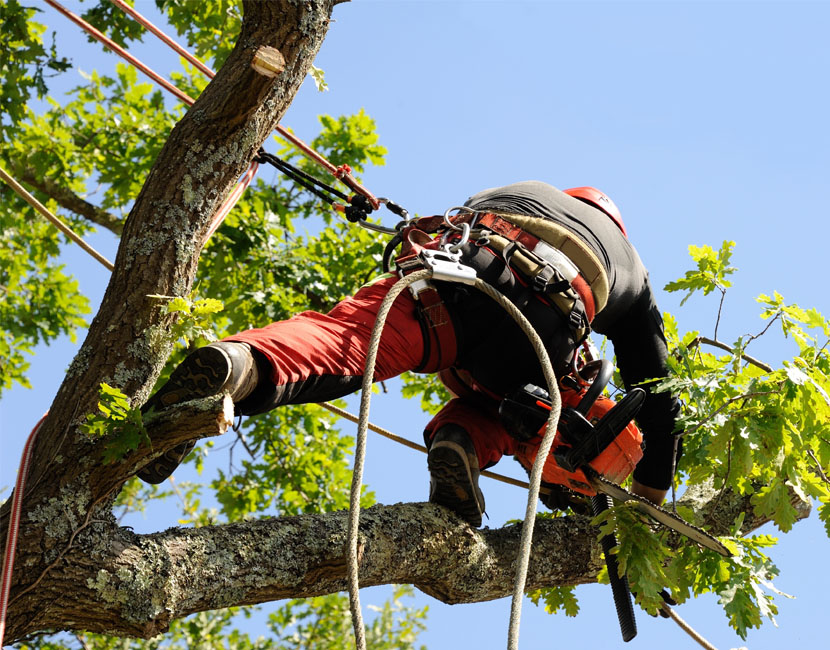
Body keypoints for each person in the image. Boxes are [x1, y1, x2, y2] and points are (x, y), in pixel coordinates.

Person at [138, 181, 681, 527]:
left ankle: (238, 366)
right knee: (539, 407)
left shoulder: (521, 190)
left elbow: (443, 230)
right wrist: (651, 495)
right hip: (548, 330)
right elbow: (660, 394)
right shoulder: (629, 265)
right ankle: (462, 442)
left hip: (462, 275)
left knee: (346, 341)